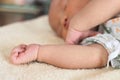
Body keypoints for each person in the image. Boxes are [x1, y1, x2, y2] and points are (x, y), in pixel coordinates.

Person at [10, 0, 120, 69]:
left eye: (65, 7)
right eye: (58, 28)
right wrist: (39, 52)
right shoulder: (103, 40)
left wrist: (78, 24)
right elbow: (96, 56)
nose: (63, 19)